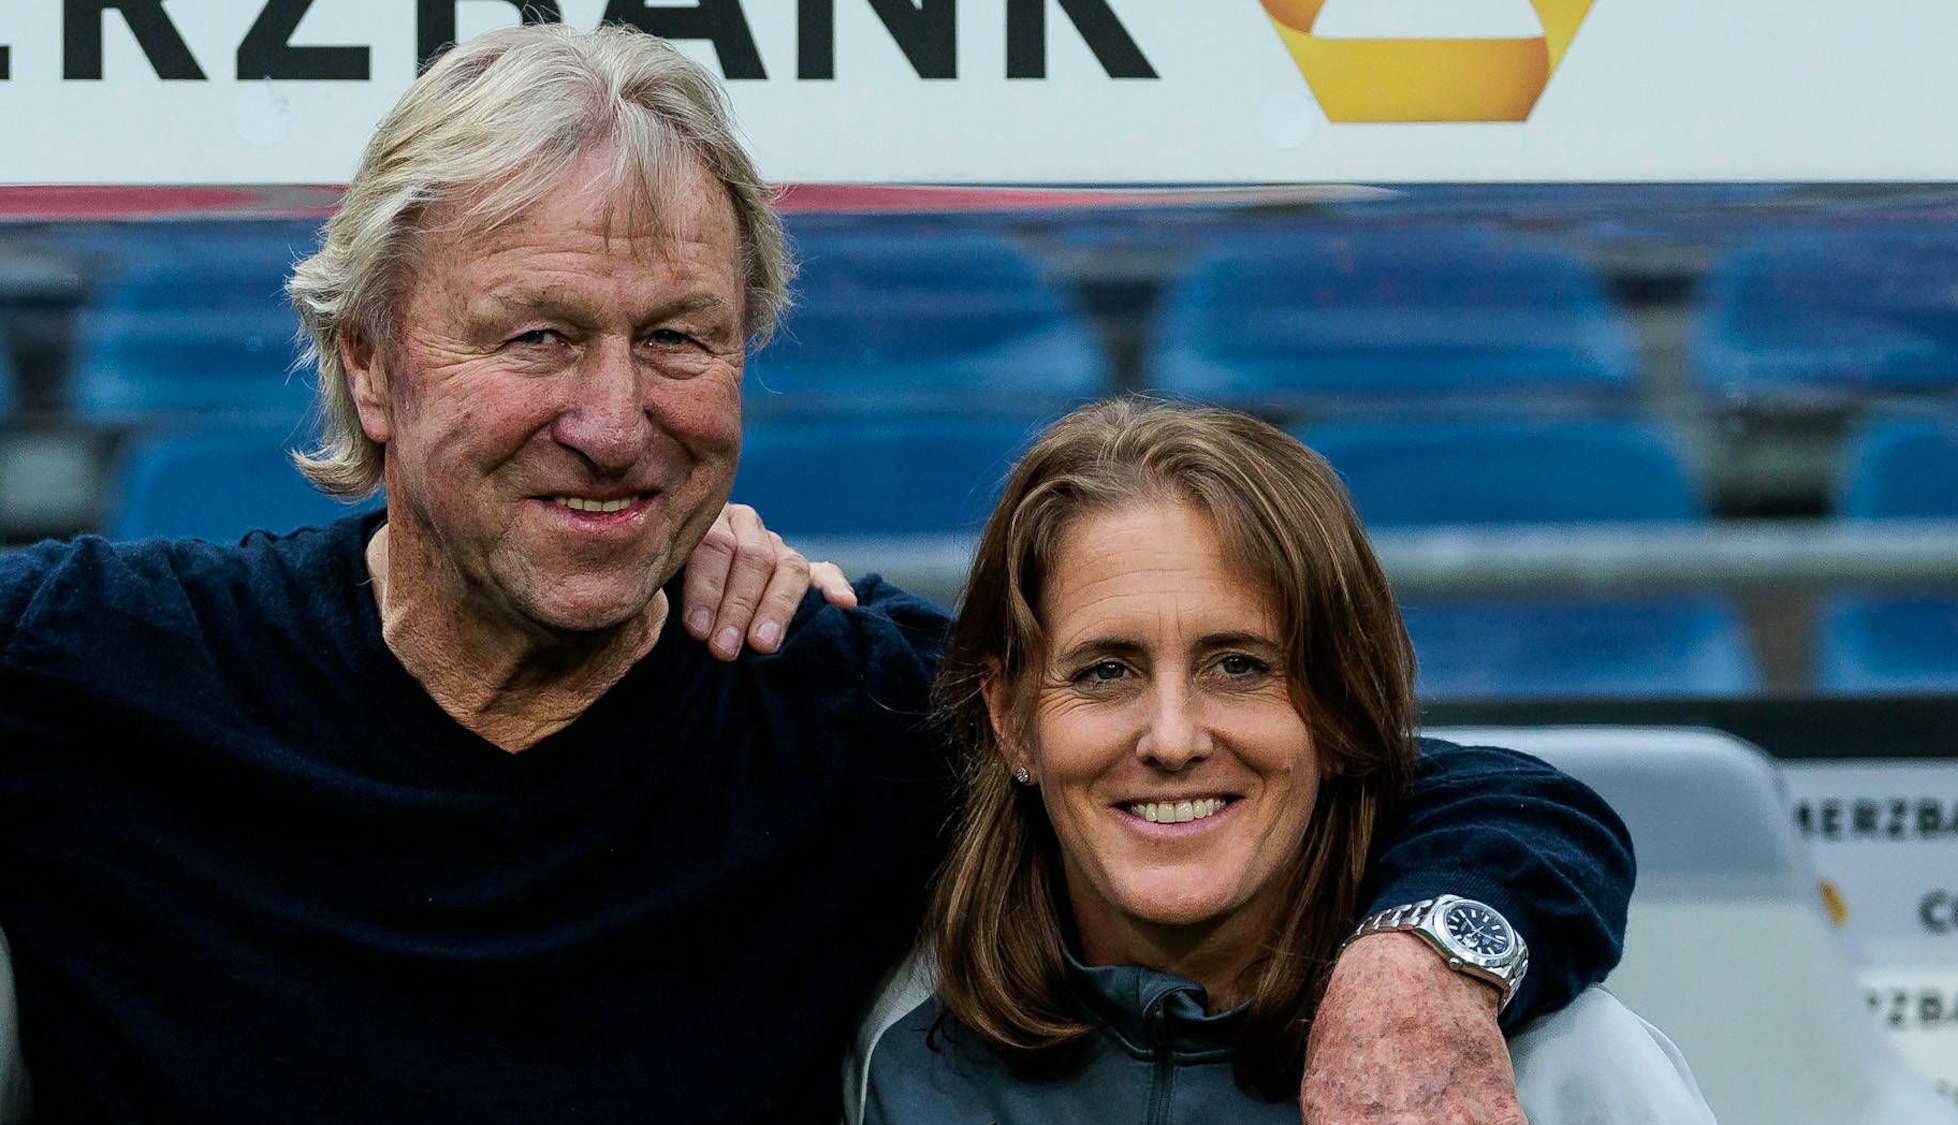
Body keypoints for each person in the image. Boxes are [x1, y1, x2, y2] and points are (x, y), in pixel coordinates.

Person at [0, 23, 1633, 1124]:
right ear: (369, 363)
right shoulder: (105, 671)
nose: (613, 420)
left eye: (681, 343)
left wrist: (1419, 968)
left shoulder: (833, 704)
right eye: (538, 338)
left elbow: (1479, 801)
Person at [854, 398, 1713, 1124]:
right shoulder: (890, 1041)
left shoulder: (1562, 1065)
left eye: (1239, 666)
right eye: (1105, 671)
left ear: (1339, 711)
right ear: (1009, 720)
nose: (1173, 737)